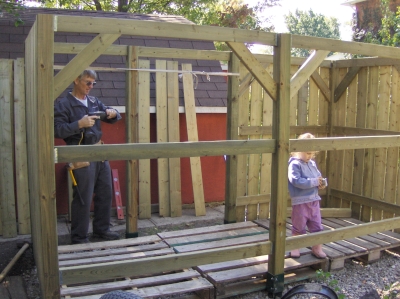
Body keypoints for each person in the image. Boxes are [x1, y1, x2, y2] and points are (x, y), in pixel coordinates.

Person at [54, 70, 122, 244]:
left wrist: (113, 113)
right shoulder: (64, 105)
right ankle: (79, 237)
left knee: (105, 193)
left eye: (93, 83)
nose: (91, 87)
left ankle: (102, 230)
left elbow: (113, 115)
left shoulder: (93, 101)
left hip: (99, 152)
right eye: (87, 82)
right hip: (79, 153)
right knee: (83, 197)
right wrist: (79, 124)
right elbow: (57, 130)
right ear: (76, 80)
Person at [288, 133, 327, 259]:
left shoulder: (312, 164)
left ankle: (317, 248)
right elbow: (296, 181)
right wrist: (314, 182)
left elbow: (318, 177)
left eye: (312, 153)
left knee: (317, 225)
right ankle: (295, 248)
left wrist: (321, 183)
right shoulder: (294, 164)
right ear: (298, 150)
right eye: (307, 153)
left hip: (314, 201)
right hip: (300, 202)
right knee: (299, 226)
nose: (309, 156)